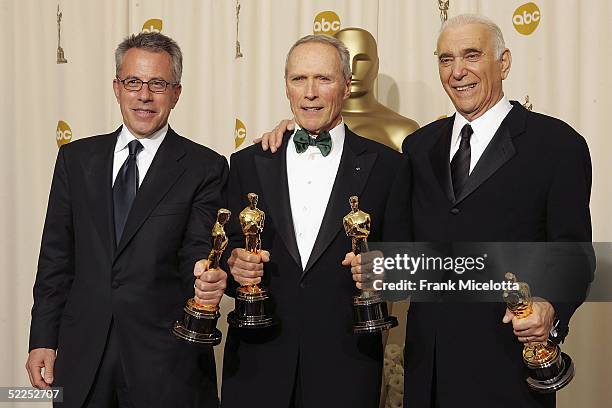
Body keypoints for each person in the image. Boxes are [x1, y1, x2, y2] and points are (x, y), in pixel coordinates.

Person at [259, 14, 593, 408]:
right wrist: (298, 132)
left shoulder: (556, 144)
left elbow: (575, 256)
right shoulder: (418, 147)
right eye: (446, 59)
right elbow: (397, 245)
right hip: (427, 371)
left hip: (508, 367)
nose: (457, 72)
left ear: (503, 63)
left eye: (472, 56)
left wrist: (550, 308)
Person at [26, 32, 228, 408]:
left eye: (158, 84)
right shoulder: (76, 160)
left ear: (177, 93)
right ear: (117, 88)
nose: (145, 95)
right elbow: (56, 259)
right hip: (83, 356)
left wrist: (204, 275)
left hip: (166, 360)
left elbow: (197, 251)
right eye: (134, 82)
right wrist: (42, 338)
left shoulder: (205, 167)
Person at [220, 34, 410, 408]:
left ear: (346, 85)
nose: (309, 92)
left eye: (323, 79)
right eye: (298, 79)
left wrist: (385, 269)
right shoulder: (247, 163)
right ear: (286, 87)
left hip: (347, 364)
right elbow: (223, 256)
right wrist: (233, 265)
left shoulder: (389, 167)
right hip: (258, 363)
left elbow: (405, 269)